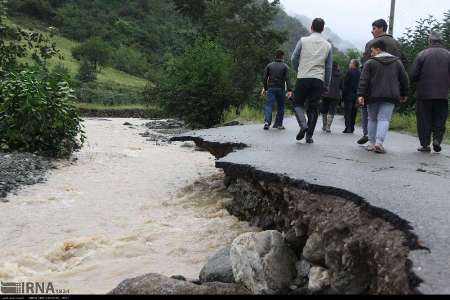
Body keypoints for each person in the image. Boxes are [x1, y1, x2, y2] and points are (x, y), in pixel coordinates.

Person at [358, 19, 408, 145]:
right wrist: (403, 91)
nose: (372, 31)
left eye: (374, 28)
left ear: (381, 28)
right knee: (384, 118)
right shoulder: (396, 44)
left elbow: (364, 68)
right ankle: (378, 143)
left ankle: (369, 137)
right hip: (391, 89)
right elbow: (404, 66)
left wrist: (361, 93)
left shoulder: (371, 44)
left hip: (372, 89)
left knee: (370, 117)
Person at [291, 18, 333, 144]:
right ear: (323, 29)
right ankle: (309, 136)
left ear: (311, 27)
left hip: (303, 77)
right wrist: (326, 84)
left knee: (297, 103)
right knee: (313, 108)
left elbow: (294, 58)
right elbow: (329, 67)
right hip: (318, 80)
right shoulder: (328, 45)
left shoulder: (303, 41)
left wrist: (298, 69)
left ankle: (303, 124)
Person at [411, 32, 450, 153]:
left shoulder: (422, 54)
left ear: (430, 41)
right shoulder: (448, 55)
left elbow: (413, 75)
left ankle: (425, 145)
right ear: (440, 41)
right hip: (442, 94)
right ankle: (437, 140)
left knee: (424, 120)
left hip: (424, 94)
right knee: (440, 119)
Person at [262, 50, 292, 130]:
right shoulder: (285, 66)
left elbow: (265, 78)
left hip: (270, 88)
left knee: (269, 105)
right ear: (282, 56)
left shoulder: (269, 65)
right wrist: (289, 90)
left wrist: (265, 88)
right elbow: (287, 79)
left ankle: (267, 122)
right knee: (281, 106)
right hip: (280, 89)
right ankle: (278, 124)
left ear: (275, 56)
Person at [320, 61, 343, 133]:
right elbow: (342, 87)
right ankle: (328, 127)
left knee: (324, 110)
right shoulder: (340, 75)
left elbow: (322, 83)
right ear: (337, 66)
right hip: (335, 95)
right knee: (332, 110)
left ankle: (324, 125)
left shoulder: (326, 73)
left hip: (325, 94)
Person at [343, 59, 361, 133]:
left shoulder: (349, 72)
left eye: (350, 63)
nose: (349, 64)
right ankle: (352, 127)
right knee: (354, 112)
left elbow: (345, 84)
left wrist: (343, 96)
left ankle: (348, 128)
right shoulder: (360, 73)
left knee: (347, 112)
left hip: (348, 95)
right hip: (356, 95)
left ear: (354, 64)